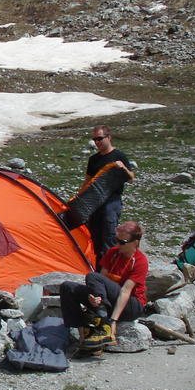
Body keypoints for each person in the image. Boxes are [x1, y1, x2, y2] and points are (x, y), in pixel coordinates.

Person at [59, 221, 148, 348]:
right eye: (116, 240)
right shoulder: (112, 253)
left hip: (131, 305)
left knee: (92, 275)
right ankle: (83, 334)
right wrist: (95, 297)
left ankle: (104, 324)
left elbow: (125, 291)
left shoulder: (140, 261)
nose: (117, 244)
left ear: (135, 242)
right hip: (109, 302)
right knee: (67, 287)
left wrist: (113, 320)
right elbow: (100, 283)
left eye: (122, 242)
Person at [84, 124, 134, 262]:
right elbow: (87, 182)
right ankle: (97, 266)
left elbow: (131, 178)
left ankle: (111, 266)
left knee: (109, 235)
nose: (97, 142)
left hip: (112, 201)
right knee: (95, 236)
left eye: (100, 138)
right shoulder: (93, 159)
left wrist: (123, 168)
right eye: (95, 139)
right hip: (94, 202)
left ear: (109, 137)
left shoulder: (119, 156)